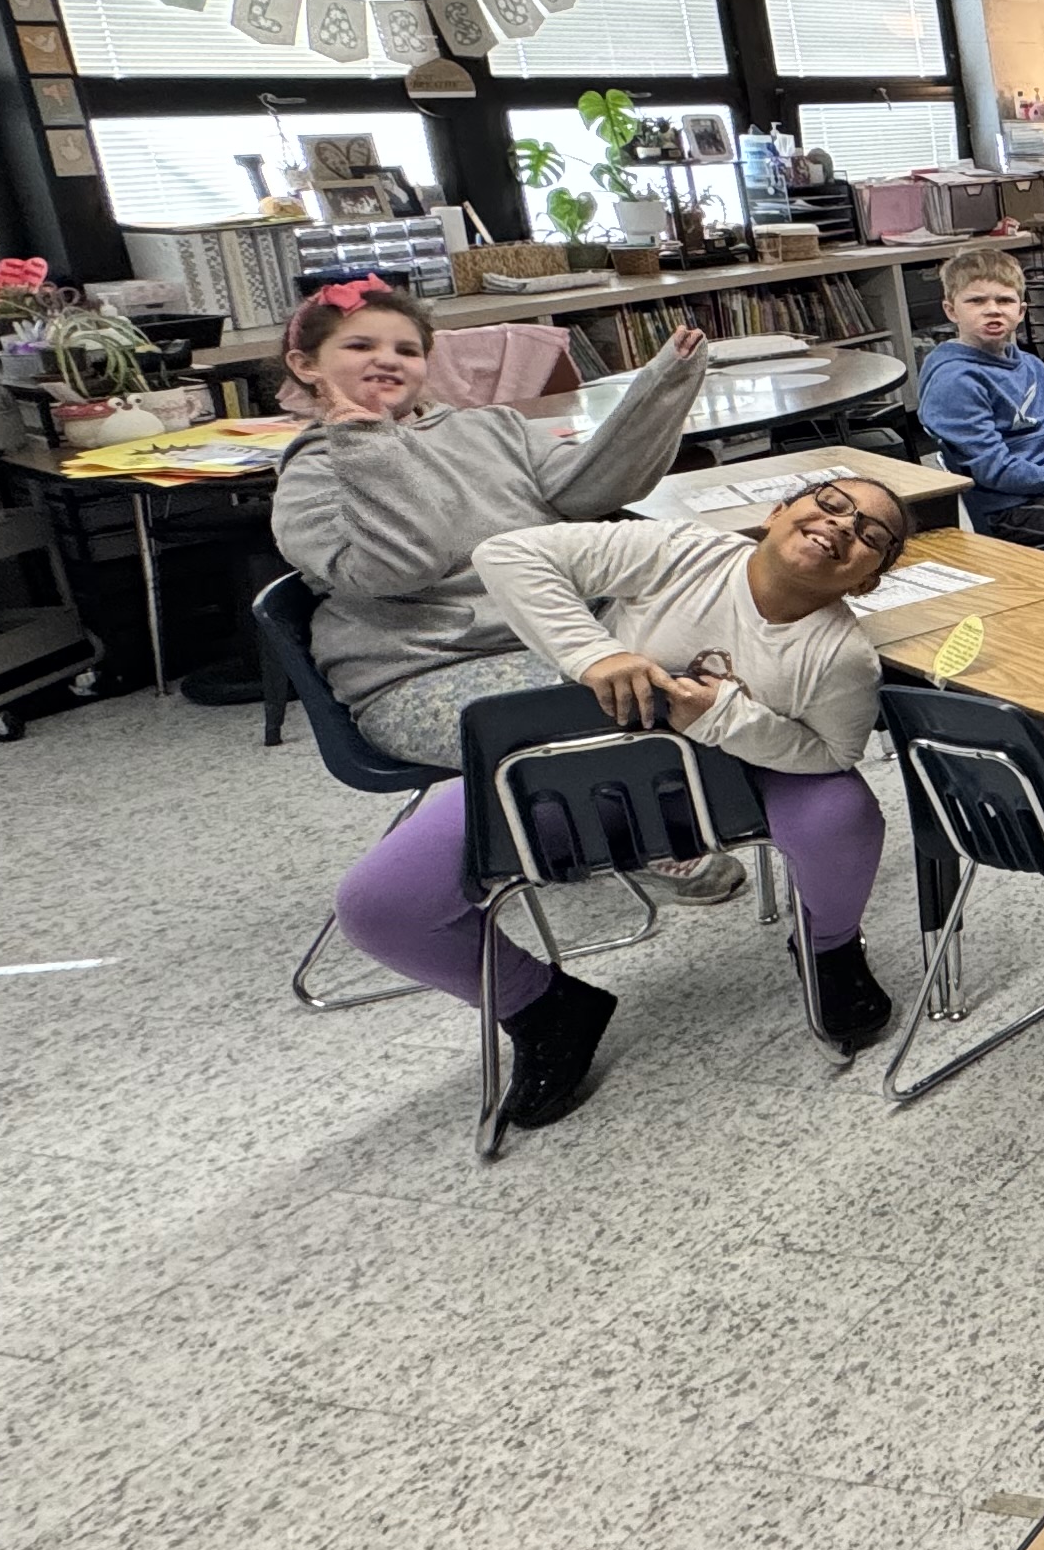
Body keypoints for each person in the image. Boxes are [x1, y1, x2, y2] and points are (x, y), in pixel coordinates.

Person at [326, 475, 914, 1132]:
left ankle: (828, 947)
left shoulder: (843, 656)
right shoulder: (680, 550)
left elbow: (831, 755)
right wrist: (595, 653)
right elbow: (506, 554)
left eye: (871, 536)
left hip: (741, 782)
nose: (841, 526)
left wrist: (722, 717)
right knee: (379, 906)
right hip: (593, 769)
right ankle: (543, 1010)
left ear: (867, 581)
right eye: (830, 505)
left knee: (843, 813)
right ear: (777, 512)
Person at [269, 280, 712, 769]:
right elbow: (401, 568)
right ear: (305, 365)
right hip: (427, 669)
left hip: (566, 636)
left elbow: (591, 490)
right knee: (629, 735)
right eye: (359, 346)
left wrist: (662, 388)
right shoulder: (312, 471)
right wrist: (366, 443)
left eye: (408, 350)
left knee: (734, 688)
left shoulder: (492, 427)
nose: (388, 359)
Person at [919, 245, 1044, 545]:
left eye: (1004, 300)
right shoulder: (955, 380)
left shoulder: (1032, 366)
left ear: (1021, 311)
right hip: (1009, 506)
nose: (993, 309)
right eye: (976, 300)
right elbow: (994, 471)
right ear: (951, 310)